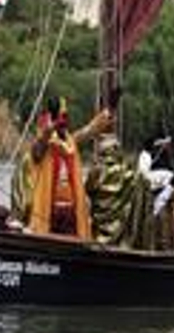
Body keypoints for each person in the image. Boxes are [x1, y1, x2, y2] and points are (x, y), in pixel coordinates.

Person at [13, 98, 111, 239]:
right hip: (49, 212)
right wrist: (52, 126)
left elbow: (89, 130)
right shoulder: (43, 146)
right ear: (53, 119)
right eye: (62, 117)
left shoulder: (71, 141)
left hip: (71, 213)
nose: (65, 122)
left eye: (66, 118)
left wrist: (109, 111)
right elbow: (41, 143)